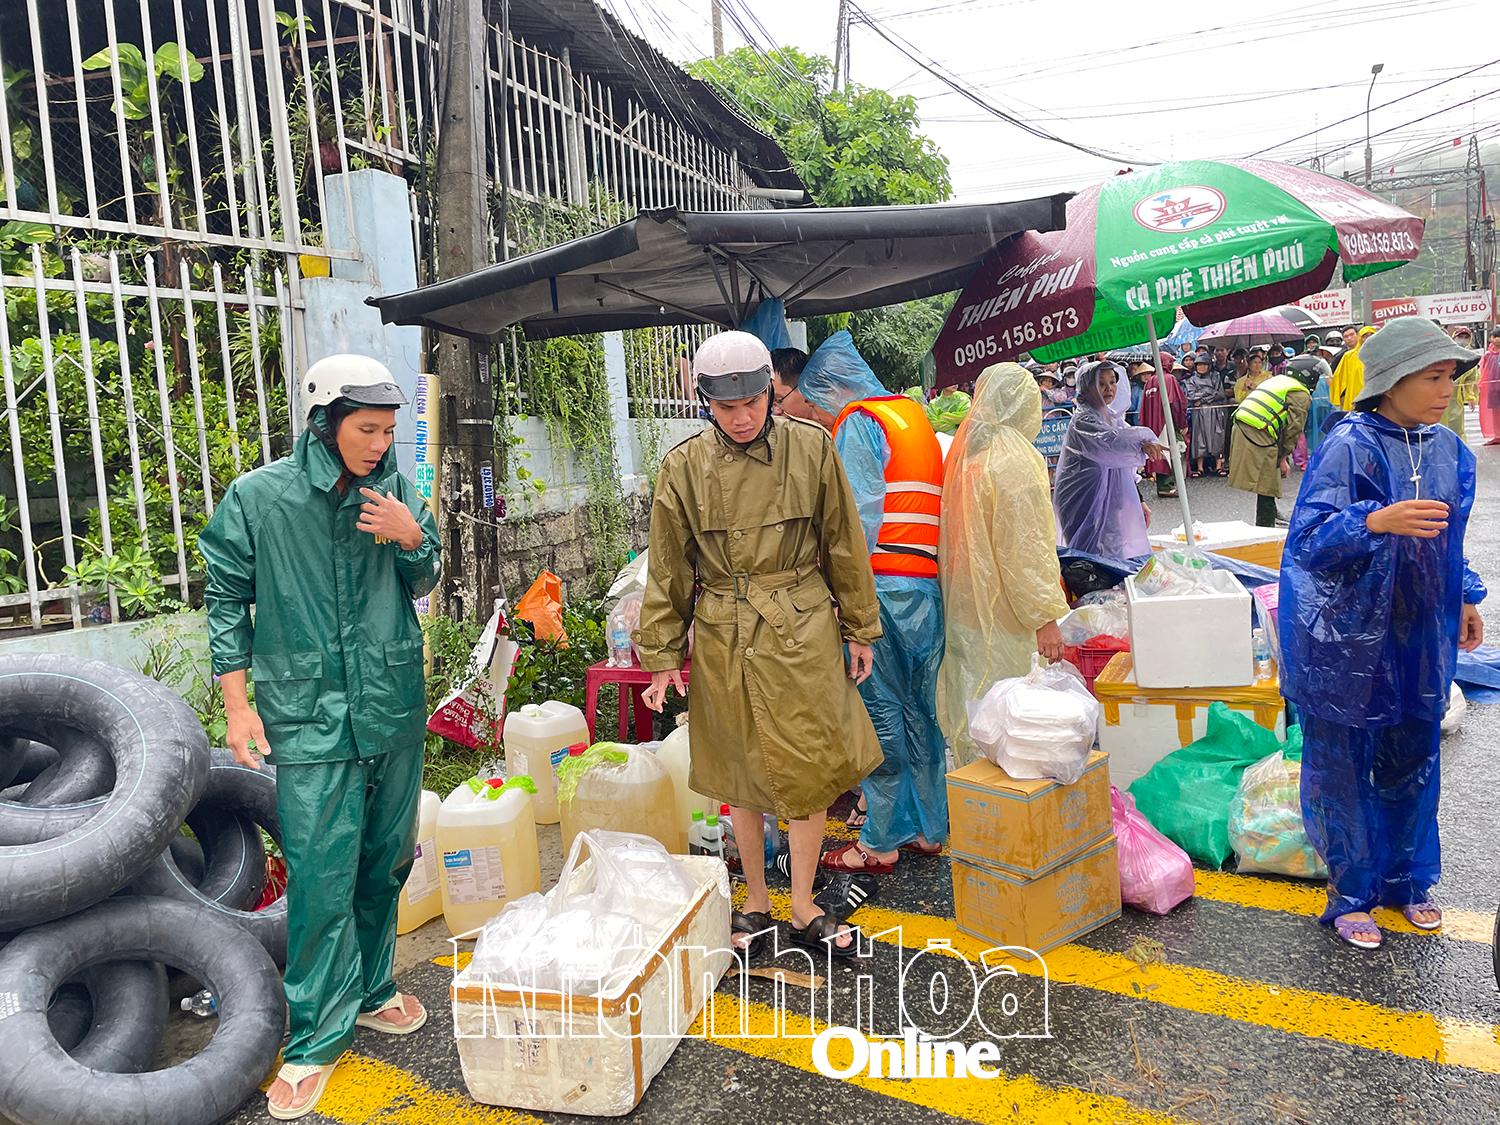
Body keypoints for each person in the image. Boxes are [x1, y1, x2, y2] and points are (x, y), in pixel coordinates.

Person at [199, 355, 442, 1121]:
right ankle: (313, 1038)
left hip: (391, 704)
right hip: (309, 714)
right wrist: (238, 706)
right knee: (321, 876)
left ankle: (372, 987)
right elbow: (225, 597)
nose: (380, 443)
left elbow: (425, 576)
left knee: (387, 860)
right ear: (325, 420)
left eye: (389, 430)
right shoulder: (260, 498)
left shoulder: (393, 491)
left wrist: (412, 536)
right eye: (366, 429)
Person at [638, 330, 879, 958]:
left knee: (809, 767)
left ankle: (803, 904)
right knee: (737, 769)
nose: (742, 417)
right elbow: (668, 569)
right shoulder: (684, 467)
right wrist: (661, 658)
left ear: (772, 390)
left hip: (802, 623)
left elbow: (845, 542)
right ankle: (753, 900)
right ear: (705, 402)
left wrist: (859, 626)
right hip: (723, 628)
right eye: (727, 407)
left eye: (753, 402)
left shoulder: (813, 447)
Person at [1281, 316, 1485, 951]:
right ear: (1392, 381)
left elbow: (1449, 537)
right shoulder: (1349, 445)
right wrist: (1374, 521)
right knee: (1343, 766)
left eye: (1451, 377)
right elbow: (1307, 544)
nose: (1446, 390)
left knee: (1413, 755)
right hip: (1347, 637)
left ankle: (1405, 880)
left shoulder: (1448, 450)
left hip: (1419, 630)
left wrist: (1465, 595)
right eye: (1433, 376)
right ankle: (1351, 892)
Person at [790, 332, 949, 876]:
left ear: (832, 390)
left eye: (817, 406)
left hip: (880, 588)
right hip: (925, 589)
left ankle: (880, 841)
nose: (819, 417)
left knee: (879, 714)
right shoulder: (912, 416)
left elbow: (855, 521)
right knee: (922, 713)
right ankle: (929, 829)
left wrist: (839, 594)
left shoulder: (858, 422)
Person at [936, 363, 1070, 766]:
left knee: (975, 709)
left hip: (966, 608)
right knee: (1011, 716)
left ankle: (975, 791)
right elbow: (1025, 549)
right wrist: (1044, 617)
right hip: (1005, 613)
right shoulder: (1015, 460)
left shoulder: (967, 456)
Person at [1053, 360, 1167, 558]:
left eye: (1113, 382)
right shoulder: (1083, 420)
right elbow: (1112, 443)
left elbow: (1122, 461)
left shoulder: (1112, 418)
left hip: (1108, 499)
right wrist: (1142, 442)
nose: (1109, 388)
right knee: (1090, 558)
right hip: (1084, 500)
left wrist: (1139, 500)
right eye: (1101, 383)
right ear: (1087, 386)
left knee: (1113, 550)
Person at [1228, 362, 1311, 527]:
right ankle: (1264, 525)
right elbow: (1293, 429)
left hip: (1243, 424)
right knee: (1267, 479)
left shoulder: (1279, 380)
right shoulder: (1301, 393)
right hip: (1259, 429)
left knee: (1268, 477)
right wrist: (1284, 457)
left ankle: (1271, 514)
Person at [1138, 359, 1185, 498]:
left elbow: (1143, 407)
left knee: (1158, 451)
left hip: (1152, 422)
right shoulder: (1169, 378)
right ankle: (1169, 485)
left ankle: (1162, 484)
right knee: (1173, 450)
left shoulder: (1150, 381)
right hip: (1167, 421)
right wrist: (1182, 423)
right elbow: (1177, 403)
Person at [1181, 350, 1228, 476]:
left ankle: (1219, 466)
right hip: (1199, 413)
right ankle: (1200, 467)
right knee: (1199, 437)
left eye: (1204, 364)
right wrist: (1208, 392)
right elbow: (1191, 395)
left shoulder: (1216, 376)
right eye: (1199, 364)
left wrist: (1202, 398)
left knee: (1217, 436)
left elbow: (1220, 393)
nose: (1201, 367)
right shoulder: (1191, 380)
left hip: (1215, 410)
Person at [770, 346, 836, 429]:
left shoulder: (841, 426)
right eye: (771, 404)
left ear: (803, 387)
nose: (776, 412)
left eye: (778, 400)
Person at [1330, 325, 1378, 410]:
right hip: (1356, 399)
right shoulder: (1348, 357)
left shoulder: (1382, 354)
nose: (1368, 338)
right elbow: (1338, 378)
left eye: (1371, 335)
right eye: (1365, 336)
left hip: (1378, 399)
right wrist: (1337, 400)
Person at [1478, 334, 1500, 444]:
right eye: (1495, 336)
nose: (1497, 339)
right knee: (1495, 412)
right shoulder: (1488, 355)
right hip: (1492, 388)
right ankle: (1497, 435)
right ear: (1491, 338)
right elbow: (1483, 371)